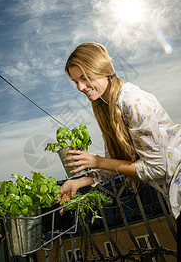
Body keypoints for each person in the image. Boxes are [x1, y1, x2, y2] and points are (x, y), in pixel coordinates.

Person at [60, 42, 181, 225]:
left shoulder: (132, 101)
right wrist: (80, 181)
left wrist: (97, 161)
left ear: (102, 69)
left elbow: (157, 168)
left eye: (84, 77)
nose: (80, 87)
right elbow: (114, 161)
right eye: (76, 81)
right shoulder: (106, 107)